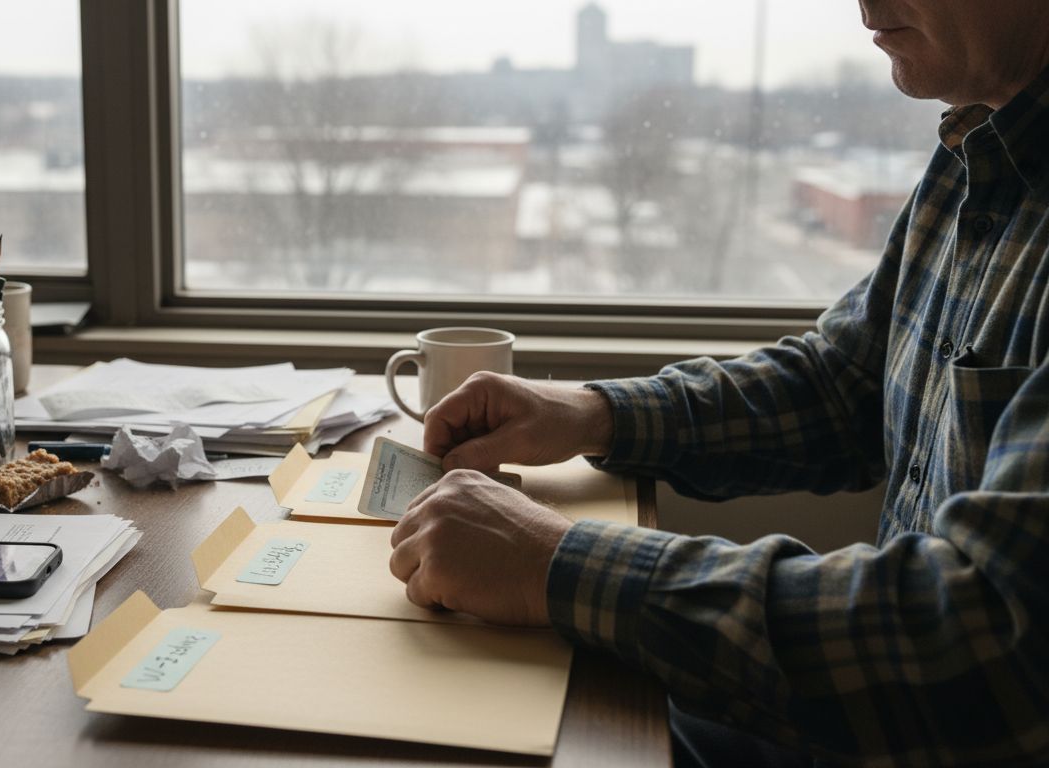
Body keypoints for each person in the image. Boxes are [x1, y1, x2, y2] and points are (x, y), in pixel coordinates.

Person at [388, 2, 1049, 765]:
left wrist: (554, 563)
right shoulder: (982, 149)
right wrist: (590, 413)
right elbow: (844, 385)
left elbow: (992, 636)